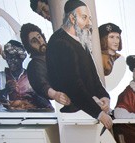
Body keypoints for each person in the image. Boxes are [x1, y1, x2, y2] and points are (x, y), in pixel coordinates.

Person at [46, 0, 112, 130]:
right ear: (72, 18)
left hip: (88, 110)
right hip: (75, 115)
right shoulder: (60, 43)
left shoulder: (80, 38)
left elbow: (93, 77)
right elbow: (73, 86)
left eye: (89, 18)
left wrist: (104, 96)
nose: (89, 23)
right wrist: (98, 114)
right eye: (84, 17)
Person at [0, 40, 52, 110]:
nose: (10, 61)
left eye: (14, 58)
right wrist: (5, 90)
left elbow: (47, 104)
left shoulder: (32, 76)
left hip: (30, 115)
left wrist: (35, 96)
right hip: (5, 115)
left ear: (21, 58)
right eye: (8, 58)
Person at [20, 23, 70, 106]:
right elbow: (42, 85)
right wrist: (55, 95)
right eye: (34, 41)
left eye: (39, 37)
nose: (40, 42)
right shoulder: (34, 65)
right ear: (29, 46)